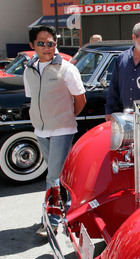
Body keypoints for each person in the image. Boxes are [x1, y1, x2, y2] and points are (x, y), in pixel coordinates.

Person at [23, 25, 86, 236]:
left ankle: (52, 217)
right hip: (41, 130)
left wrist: (66, 117)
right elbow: (34, 99)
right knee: (58, 174)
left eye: (50, 43)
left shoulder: (67, 69)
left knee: (52, 176)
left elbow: (80, 99)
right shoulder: (28, 69)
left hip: (62, 129)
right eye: (41, 43)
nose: (46, 48)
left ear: (55, 45)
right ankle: (67, 208)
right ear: (32, 45)